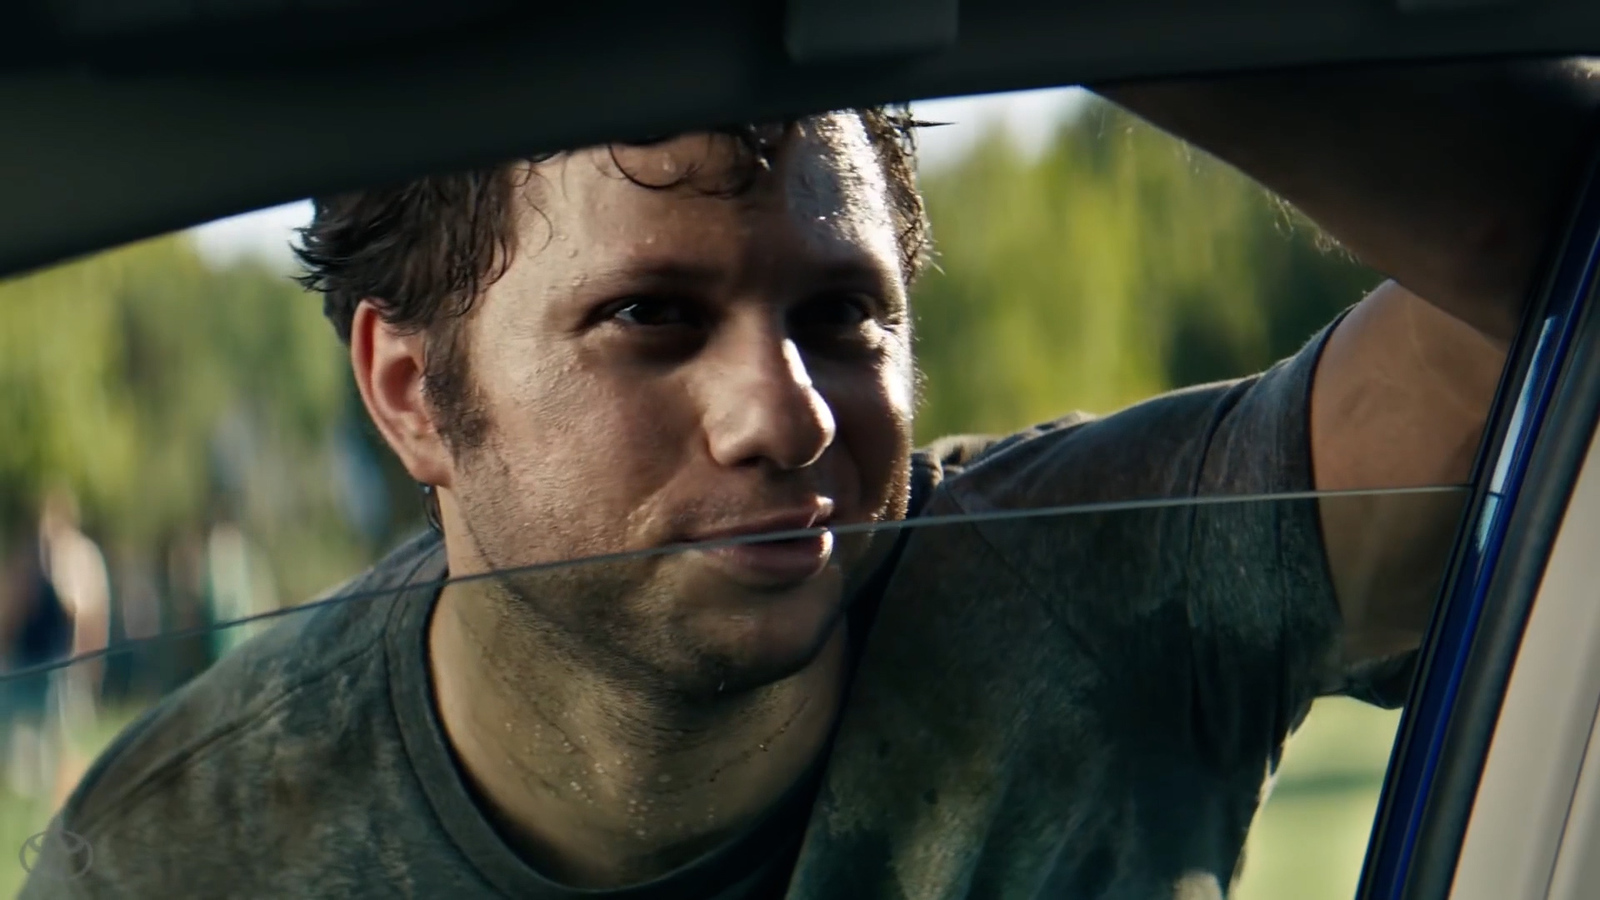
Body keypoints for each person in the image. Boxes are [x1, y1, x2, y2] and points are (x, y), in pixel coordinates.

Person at [22, 61, 1599, 898]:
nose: (782, 417)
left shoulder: (1113, 587)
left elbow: (1548, 294)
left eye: (842, 316)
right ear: (411, 392)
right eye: (651, 318)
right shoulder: (180, 848)